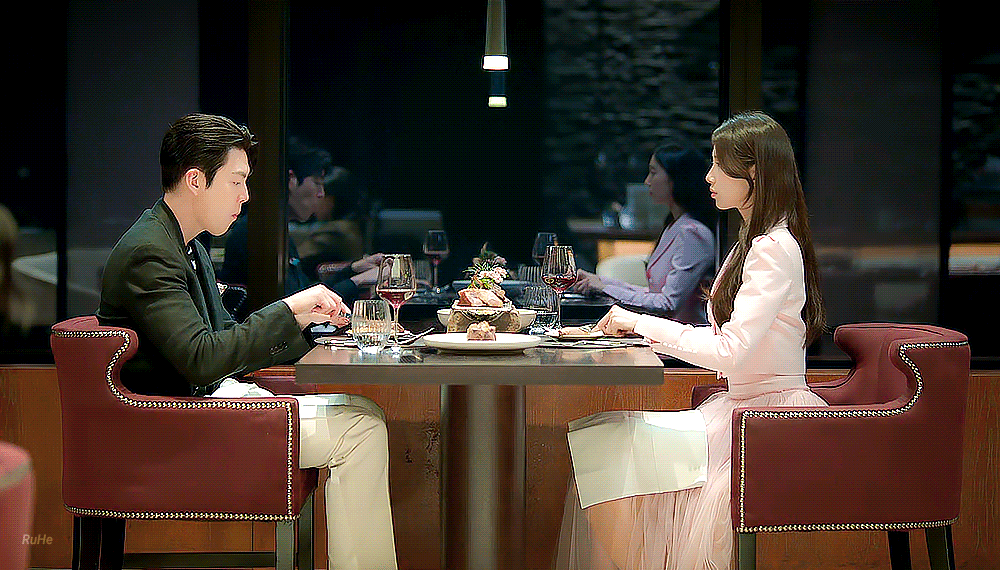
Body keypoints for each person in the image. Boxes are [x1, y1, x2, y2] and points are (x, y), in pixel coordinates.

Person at [97, 113, 397, 570]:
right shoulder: (150, 251)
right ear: (195, 180)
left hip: (201, 405)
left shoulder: (185, 243)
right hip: (175, 426)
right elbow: (202, 360)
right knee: (361, 430)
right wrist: (289, 309)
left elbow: (222, 341)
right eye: (236, 181)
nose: (246, 195)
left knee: (364, 413)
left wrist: (305, 322)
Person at [555, 111, 828, 570]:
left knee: (607, 444)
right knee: (602, 439)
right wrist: (639, 327)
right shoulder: (756, 240)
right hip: (744, 410)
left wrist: (641, 324)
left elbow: (730, 352)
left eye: (718, 164)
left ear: (753, 170)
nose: (708, 177)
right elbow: (729, 341)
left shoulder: (772, 247)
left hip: (765, 422)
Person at [218, 136, 383, 316]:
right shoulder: (259, 232)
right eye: (317, 184)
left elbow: (304, 290)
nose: (321, 194)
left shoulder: (279, 231)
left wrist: (353, 270)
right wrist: (357, 281)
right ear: (292, 179)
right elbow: (296, 308)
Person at [573, 146, 716, 324]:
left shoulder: (693, 233)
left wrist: (605, 288)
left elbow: (667, 303)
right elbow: (654, 294)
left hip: (684, 334)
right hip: (662, 331)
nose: (647, 181)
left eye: (653, 173)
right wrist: (601, 282)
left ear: (676, 178)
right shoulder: (675, 225)